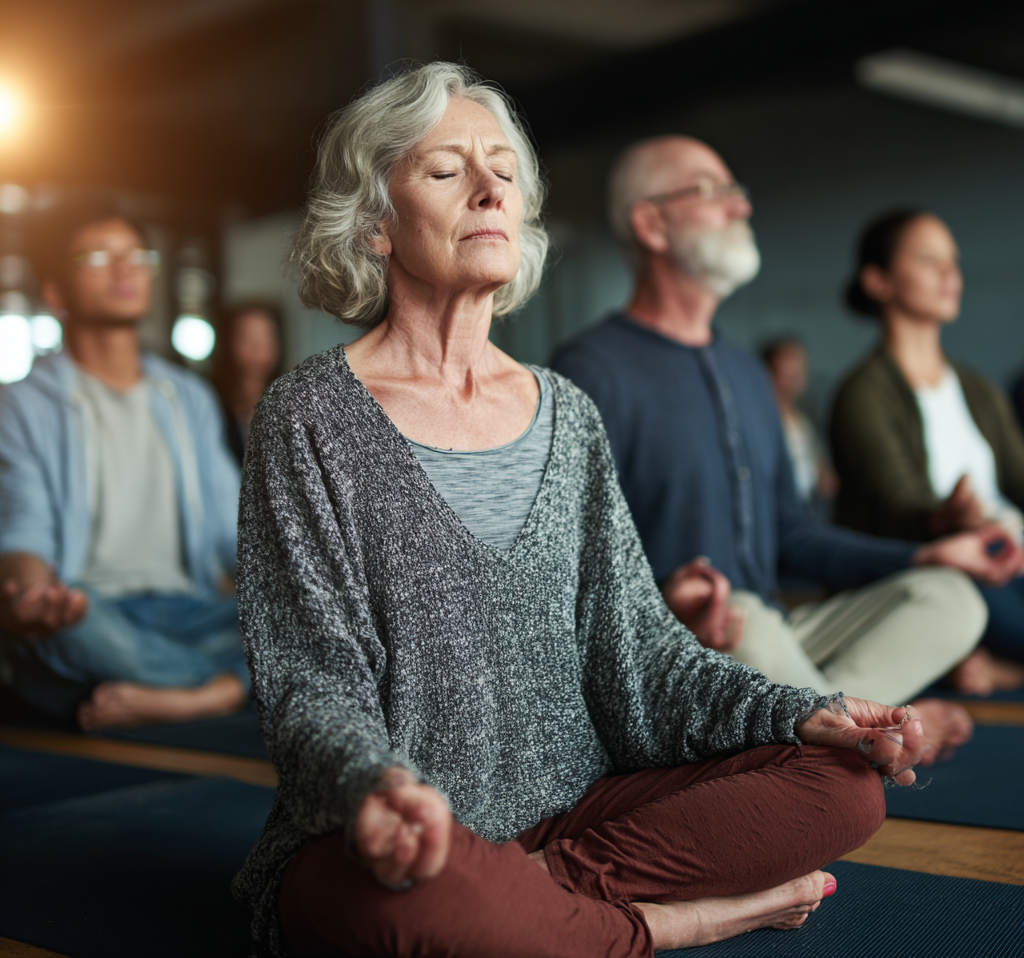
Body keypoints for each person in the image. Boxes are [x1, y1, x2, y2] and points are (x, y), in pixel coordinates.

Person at [231, 63, 927, 958]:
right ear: (373, 223)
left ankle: (541, 917)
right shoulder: (307, 416)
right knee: (413, 902)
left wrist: (799, 713)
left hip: (579, 812)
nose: (488, 189)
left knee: (843, 785)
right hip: (397, 831)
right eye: (446, 172)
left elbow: (639, 649)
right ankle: (663, 927)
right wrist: (378, 791)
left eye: (504, 172)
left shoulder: (566, 411)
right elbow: (308, 684)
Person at [552, 135, 1024, 763]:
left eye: (737, 191)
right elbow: (568, 568)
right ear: (651, 223)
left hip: (776, 639)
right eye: (711, 190)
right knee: (746, 615)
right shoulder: (590, 369)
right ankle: (854, 730)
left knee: (950, 597)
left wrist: (926, 551)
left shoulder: (747, 372)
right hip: (683, 653)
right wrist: (666, 599)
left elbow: (796, 536)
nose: (739, 207)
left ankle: (828, 733)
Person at [0, 213, 247, 730]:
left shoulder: (188, 397)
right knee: (54, 640)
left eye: (137, 255)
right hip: (92, 610)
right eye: (98, 257)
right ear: (55, 292)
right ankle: (228, 687)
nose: (124, 268)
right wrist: (33, 600)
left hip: (192, 610)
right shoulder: (20, 404)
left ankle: (190, 692)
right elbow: (25, 525)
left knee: (313, 621)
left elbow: (234, 529)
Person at [830, 209, 1024, 694]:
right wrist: (946, 517)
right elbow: (898, 506)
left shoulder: (977, 388)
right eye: (927, 258)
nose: (949, 273)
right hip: (951, 566)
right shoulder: (863, 392)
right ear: (878, 281)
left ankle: (1004, 671)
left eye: (953, 261)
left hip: (1008, 550)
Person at [761, 335, 837, 509]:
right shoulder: (763, 419)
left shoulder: (803, 419)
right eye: (788, 362)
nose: (796, 371)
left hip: (809, 505)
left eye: (800, 364)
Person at [214, 304, 282, 466]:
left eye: (266, 338)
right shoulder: (213, 403)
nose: (258, 348)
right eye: (248, 339)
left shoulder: (289, 402)